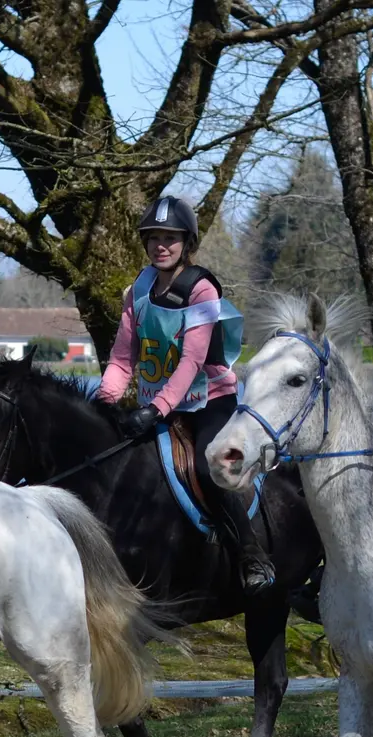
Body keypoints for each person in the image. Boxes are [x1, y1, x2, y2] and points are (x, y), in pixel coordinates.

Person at [95, 194, 276, 596]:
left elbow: (192, 361)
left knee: (209, 467)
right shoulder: (139, 289)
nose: (160, 246)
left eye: (170, 238)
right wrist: (103, 404)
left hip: (209, 401)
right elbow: (122, 358)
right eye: (153, 238)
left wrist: (155, 409)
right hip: (159, 404)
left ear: (187, 243)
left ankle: (250, 553)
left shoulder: (201, 290)